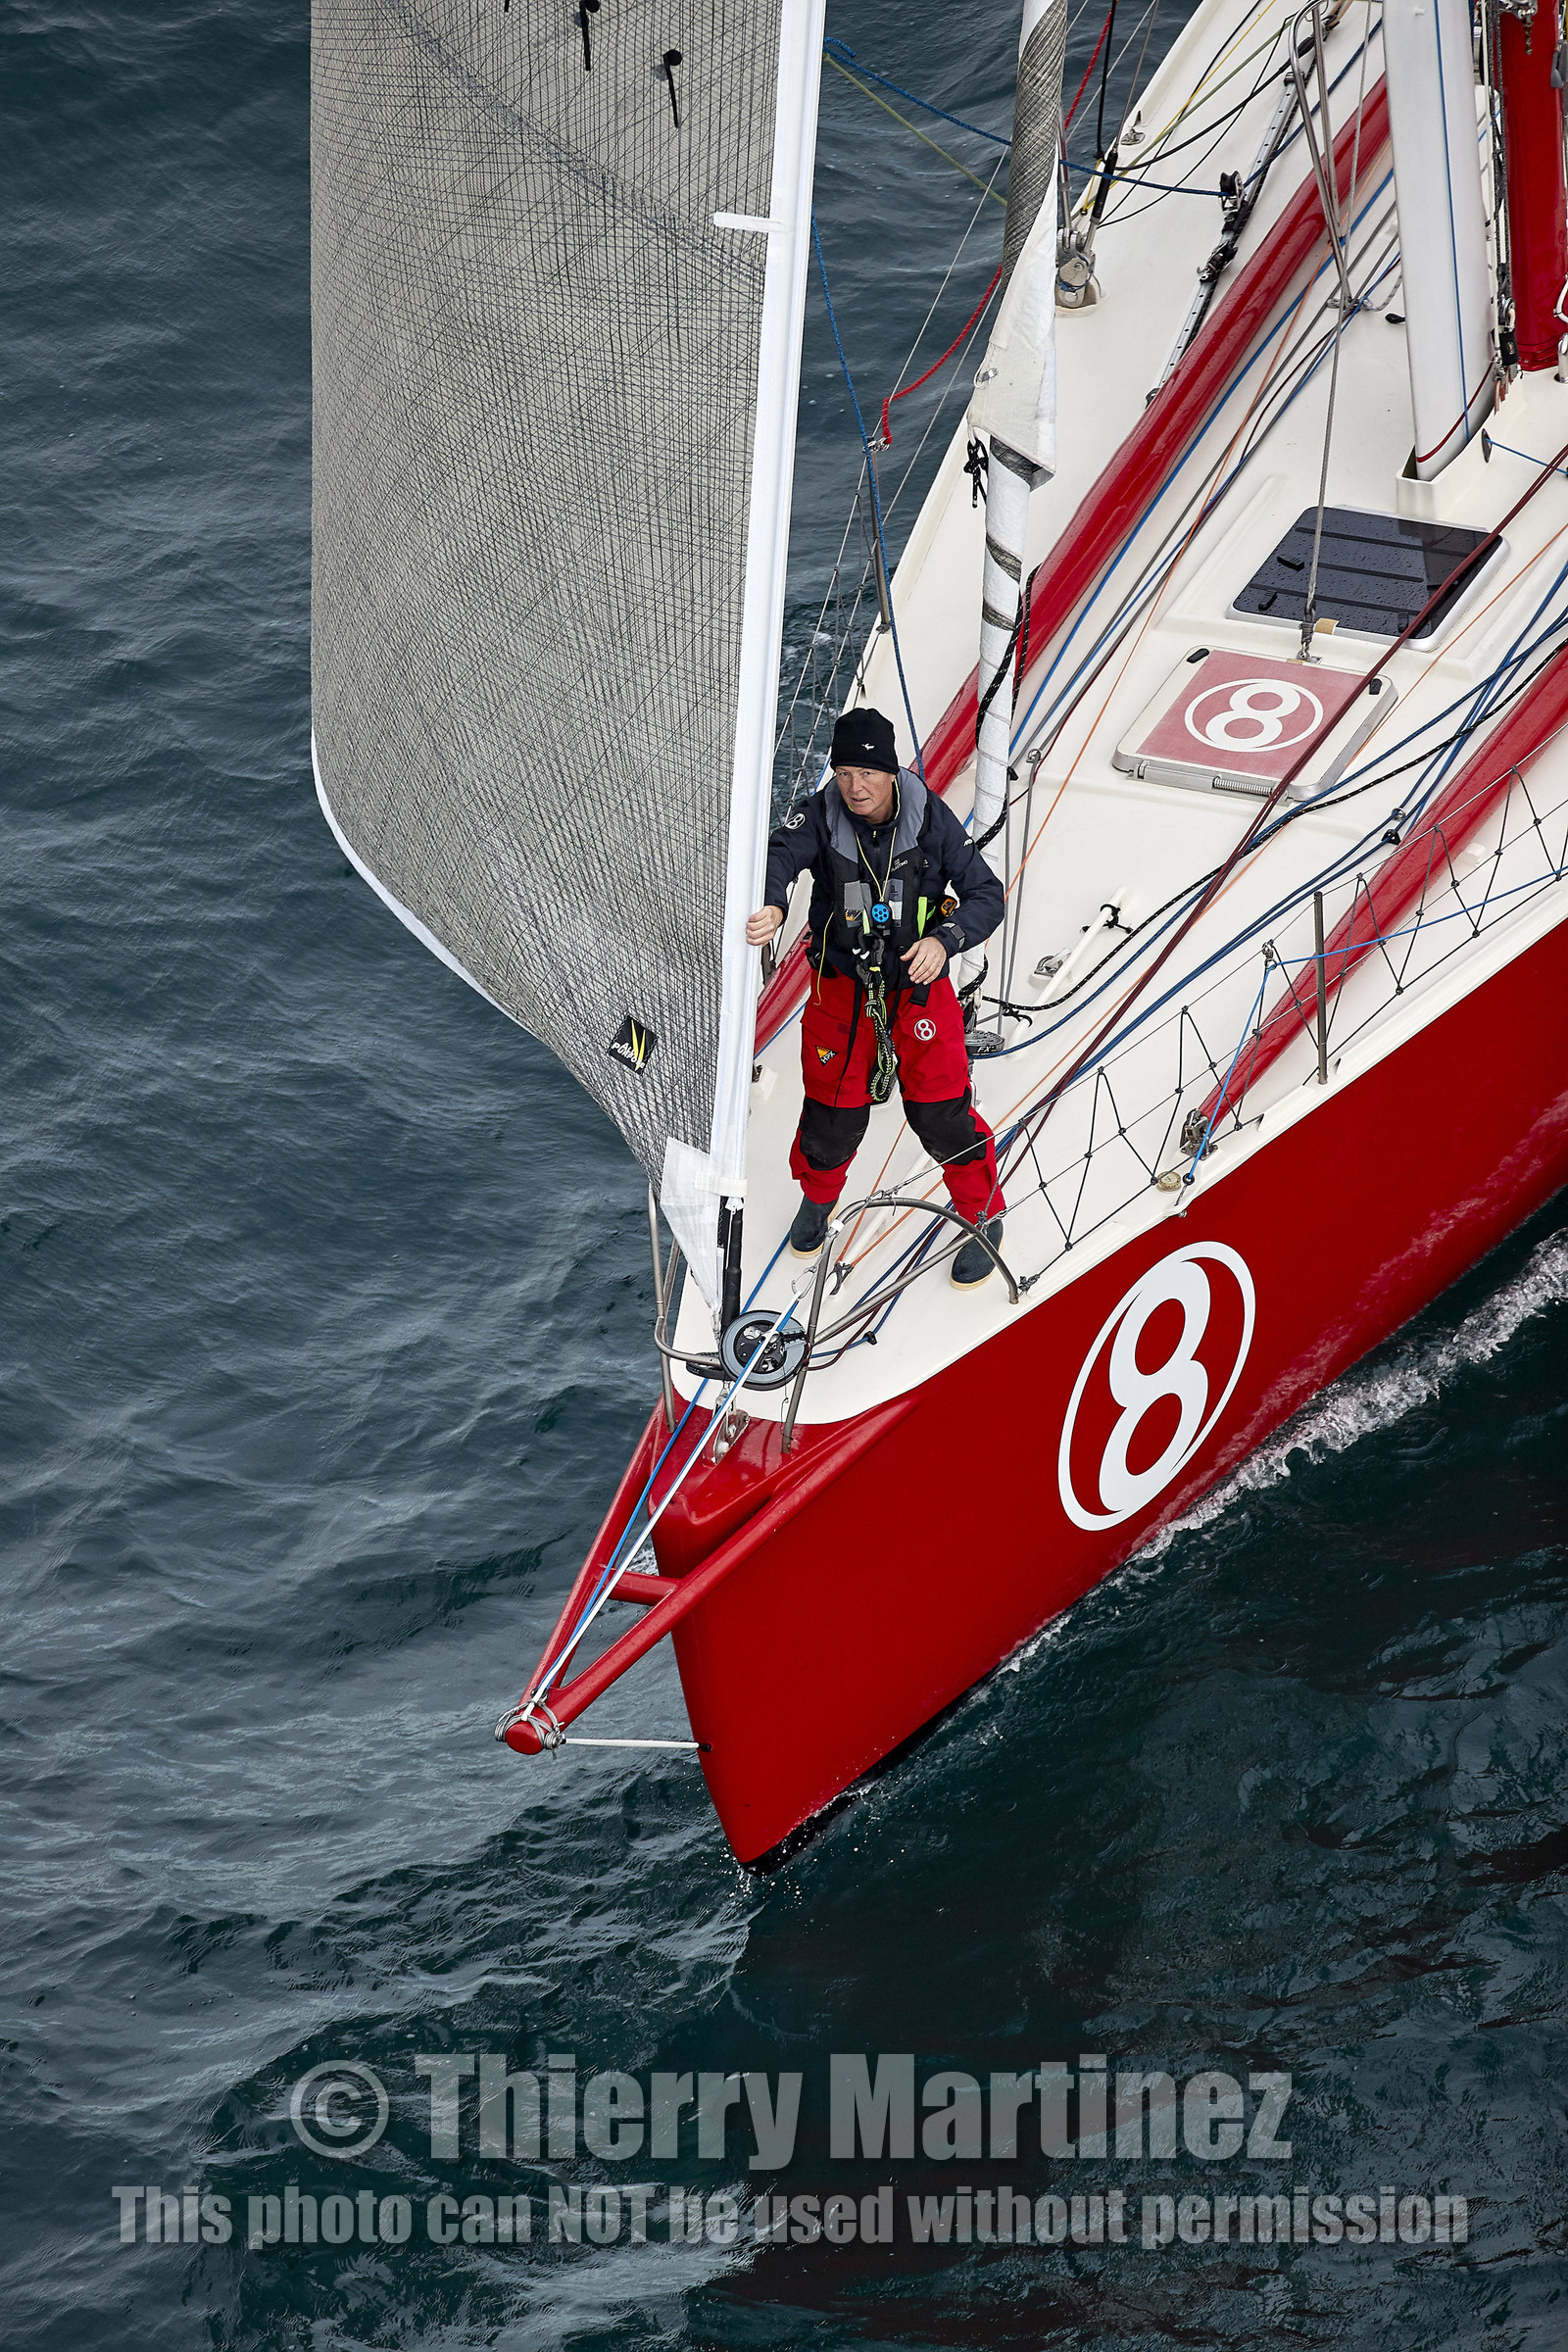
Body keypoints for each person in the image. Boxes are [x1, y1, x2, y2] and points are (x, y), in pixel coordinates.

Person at [746, 707, 1006, 1287]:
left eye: (866, 773)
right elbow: (777, 855)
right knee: (830, 1115)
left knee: (940, 1112)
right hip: (841, 990)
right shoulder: (819, 813)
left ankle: (983, 1211)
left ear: (891, 773)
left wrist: (947, 940)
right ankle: (817, 1200)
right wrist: (773, 903)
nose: (854, 787)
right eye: (842, 773)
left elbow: (988, 894)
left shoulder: (931, 820)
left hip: (917, 989)